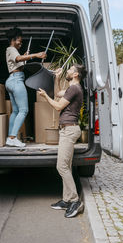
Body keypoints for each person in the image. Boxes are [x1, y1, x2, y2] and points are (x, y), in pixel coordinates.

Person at [38, 64, 87, 218]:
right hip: (67, 130)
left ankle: (75, 200)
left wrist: (46, 96)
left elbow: (58, 106)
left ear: (76, 74)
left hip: (69, 130)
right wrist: (57, 79)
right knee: (66, 166)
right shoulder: (72, 88)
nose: (68, 71)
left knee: (61, 167)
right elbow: (59, 94)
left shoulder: (75, 88)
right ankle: (66, 200)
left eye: (71, 69)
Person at [5, 27, 46, 147]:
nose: (21, 43)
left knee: (16, 111)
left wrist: (24, 56)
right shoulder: (11, 48)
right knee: (24, 110)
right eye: (19, 40)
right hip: (16, 80)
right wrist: (36, 55)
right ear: (14, 39)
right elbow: (18, 59)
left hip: (11, 80)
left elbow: (18, 62)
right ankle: (13, 137)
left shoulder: (12, 51)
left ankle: (9, 138)